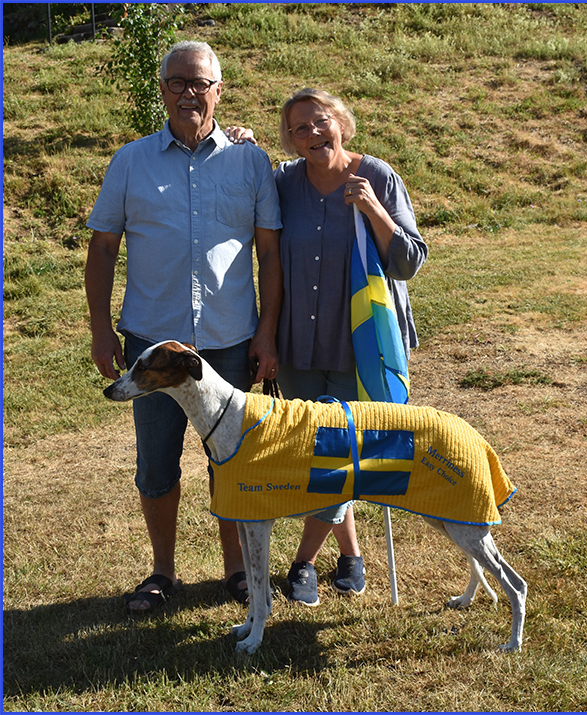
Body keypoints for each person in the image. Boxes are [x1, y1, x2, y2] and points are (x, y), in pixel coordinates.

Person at [85, 40, 283, 611]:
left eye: (201, 84)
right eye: (178, 82)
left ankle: (236, 570)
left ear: (219, 90)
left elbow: (268, 256)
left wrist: (266, 334)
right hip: (150, 343)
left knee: (233, 463)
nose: (189, 94)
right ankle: (163, 573)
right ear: (163, 90)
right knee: (155, 461)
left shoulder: (252, 162)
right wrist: (101, 329)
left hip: (228, 341)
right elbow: (102, 251)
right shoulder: (131, 160)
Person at [273, 88, 428, 606]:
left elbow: (409, 262)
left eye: (321, 122)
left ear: (342, 122)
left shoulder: (378, 176)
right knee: (316, 454)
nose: (313, 134)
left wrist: (372, 208)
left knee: (343, 456)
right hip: (298, 344)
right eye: (300, 129)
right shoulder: (284, 184)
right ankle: (352, 558)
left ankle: (301, 564)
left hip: (361, 343)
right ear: (290, 140)